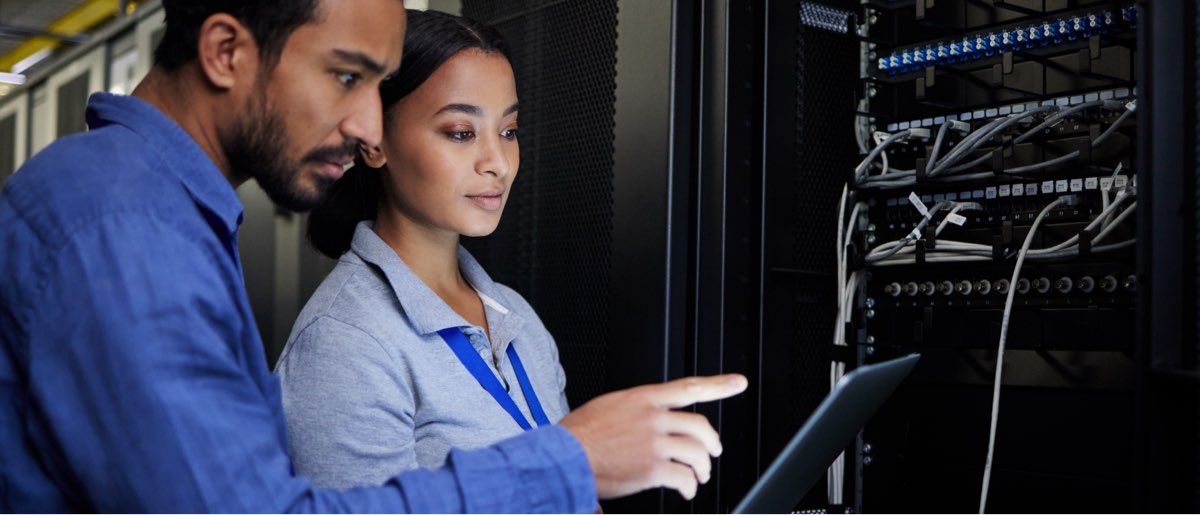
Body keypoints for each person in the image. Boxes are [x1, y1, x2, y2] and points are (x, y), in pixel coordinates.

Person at [0, 0, 747, 512]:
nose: (365, 125)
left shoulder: (161, 217)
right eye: (347, 77)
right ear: (226, 52)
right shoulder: (124, 226)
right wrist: (567, 463)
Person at [274, 9, 574, 488]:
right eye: (460, 133)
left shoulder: (517, 319)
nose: (497, 162)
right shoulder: (345, 342)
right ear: (374, 141)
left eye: (509, 131)